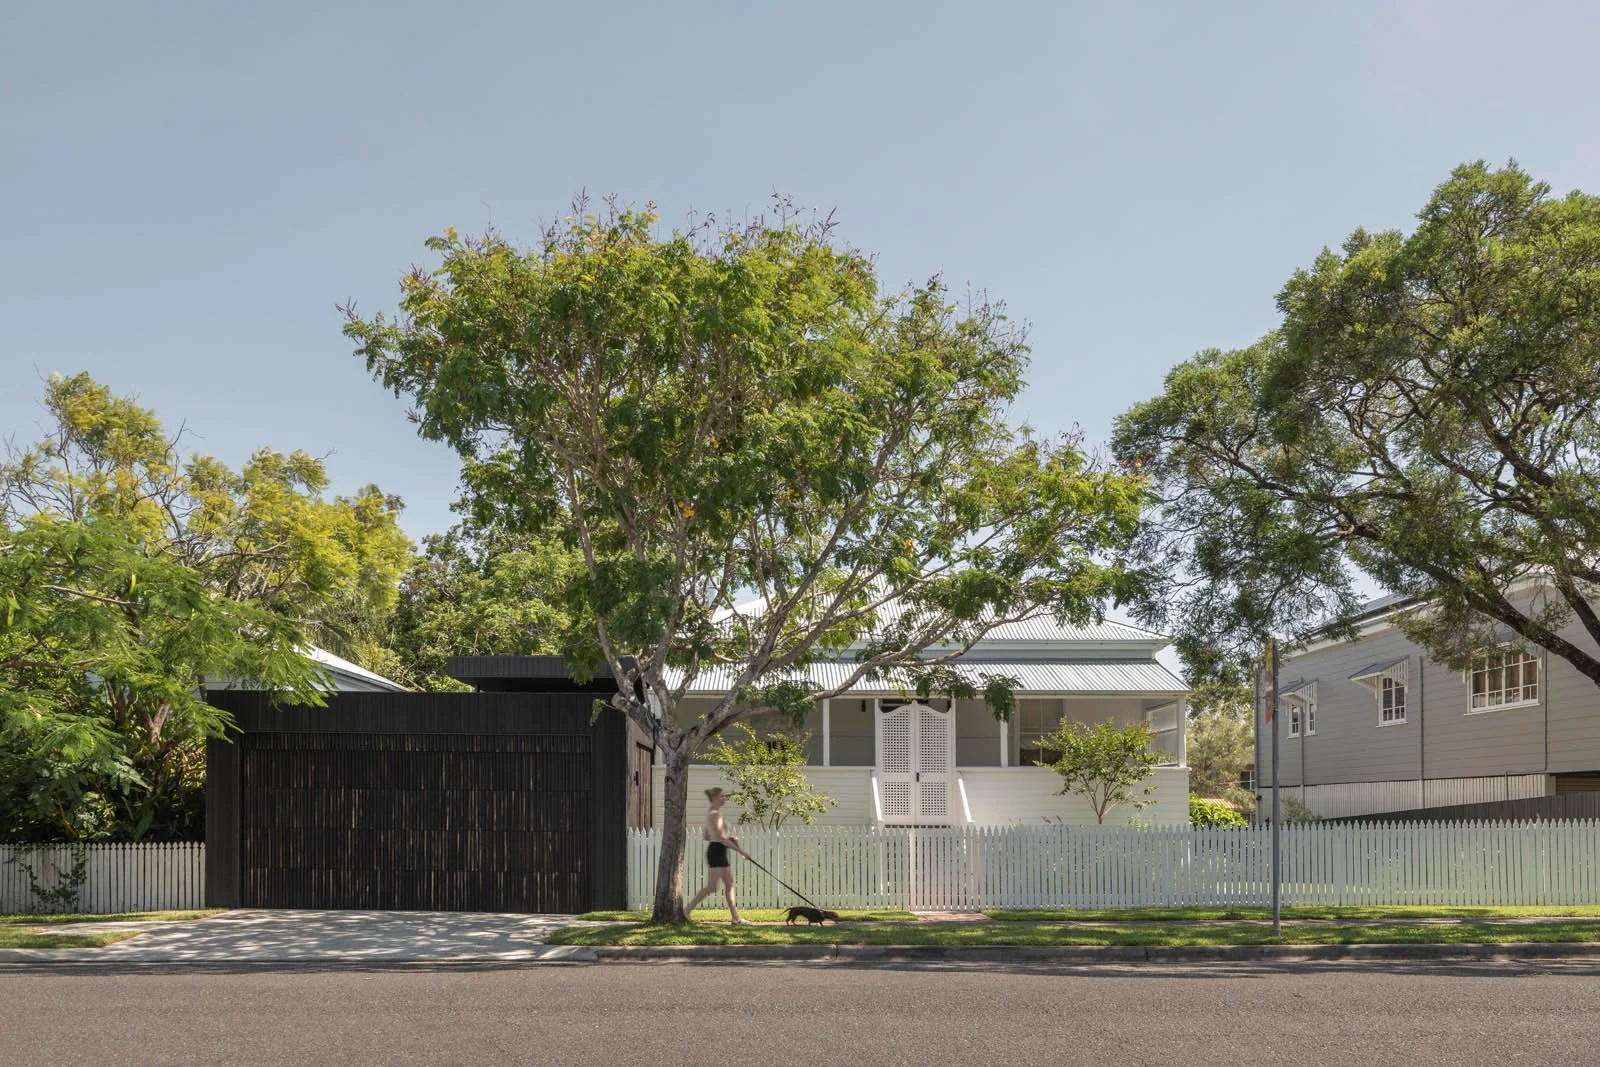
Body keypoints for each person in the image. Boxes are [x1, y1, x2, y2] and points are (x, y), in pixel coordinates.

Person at [685, 787, 747, 923]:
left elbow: (707, 836)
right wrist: (741, 851)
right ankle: (686, 911)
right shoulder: (715, 814)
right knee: (712, 887)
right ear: (714, 798)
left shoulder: (712, 813)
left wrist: (728, 838)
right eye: (721, 796)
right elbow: (721, 838)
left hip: (718, 849)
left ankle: (736, 918)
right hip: (717, 851)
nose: (724, 798)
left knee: (730, 883)